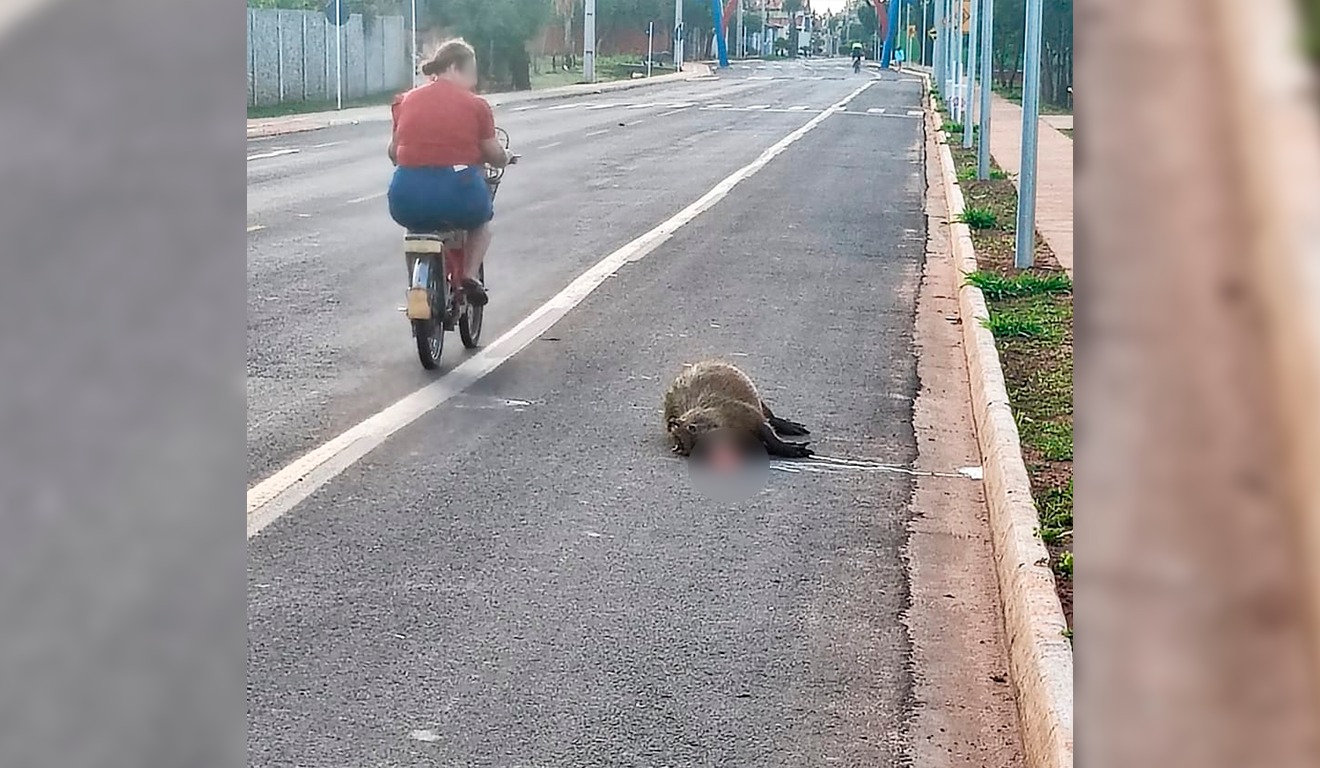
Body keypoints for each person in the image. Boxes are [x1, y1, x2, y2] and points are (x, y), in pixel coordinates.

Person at [387, 38, 512, 307]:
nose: (474, 82)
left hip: (405, 196)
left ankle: (416, 285)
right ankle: (468, 276)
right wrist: (506, 158)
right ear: (455, 68)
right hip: (459, 193)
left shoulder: (405, 101)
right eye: (472, 73)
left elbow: (394, 152)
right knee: (481, 226)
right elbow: (492, 153)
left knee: (414, 231)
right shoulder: (476, 105)